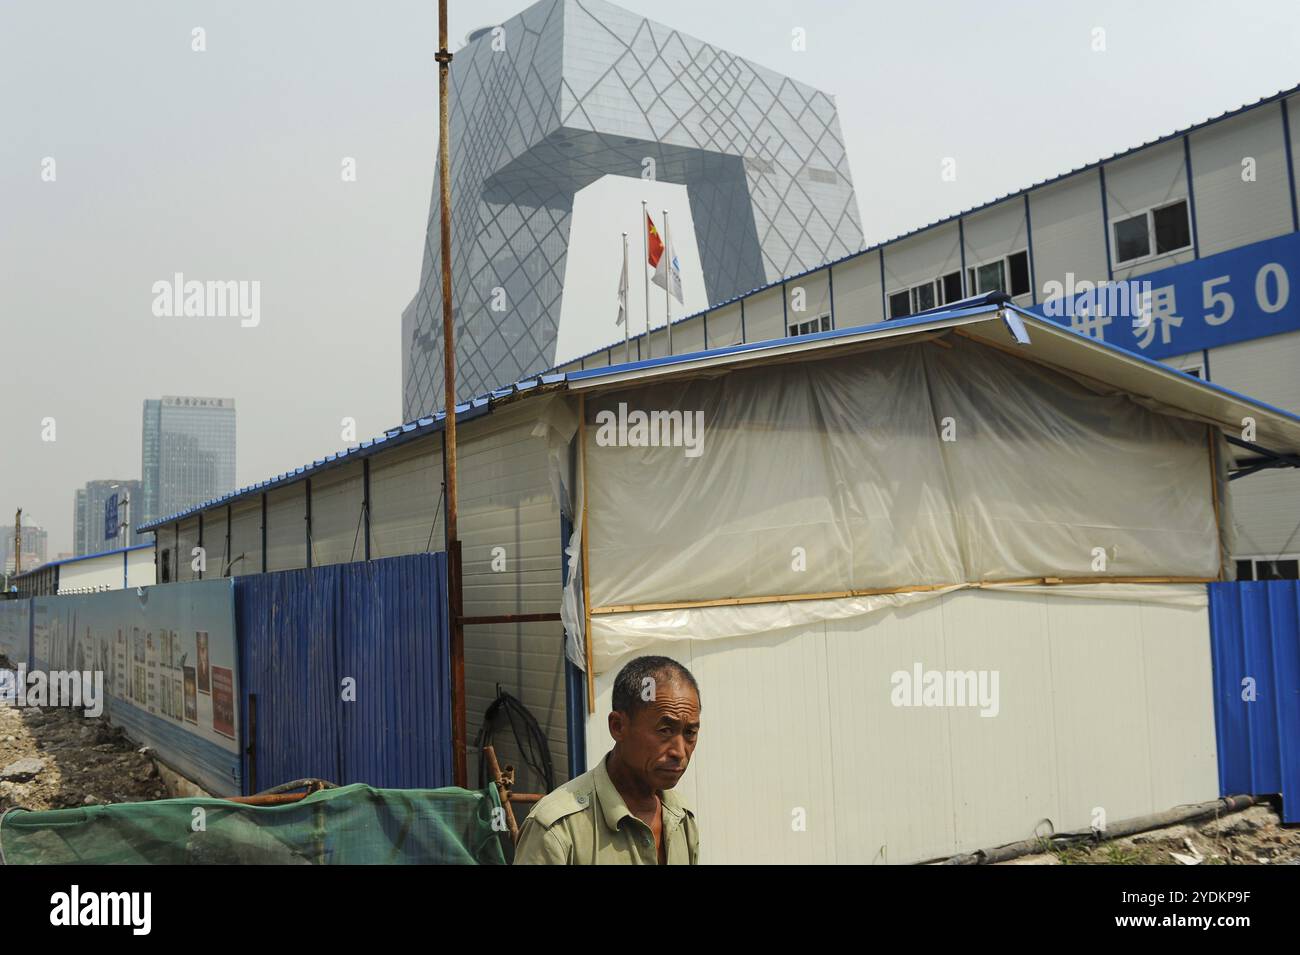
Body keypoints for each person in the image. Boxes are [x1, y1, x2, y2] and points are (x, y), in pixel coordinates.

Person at [513, 655, 701, 865]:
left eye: (690, 733)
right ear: (618, 726)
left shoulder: (680, 817)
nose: (680, 752)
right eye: (665, 730)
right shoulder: (557, 829)